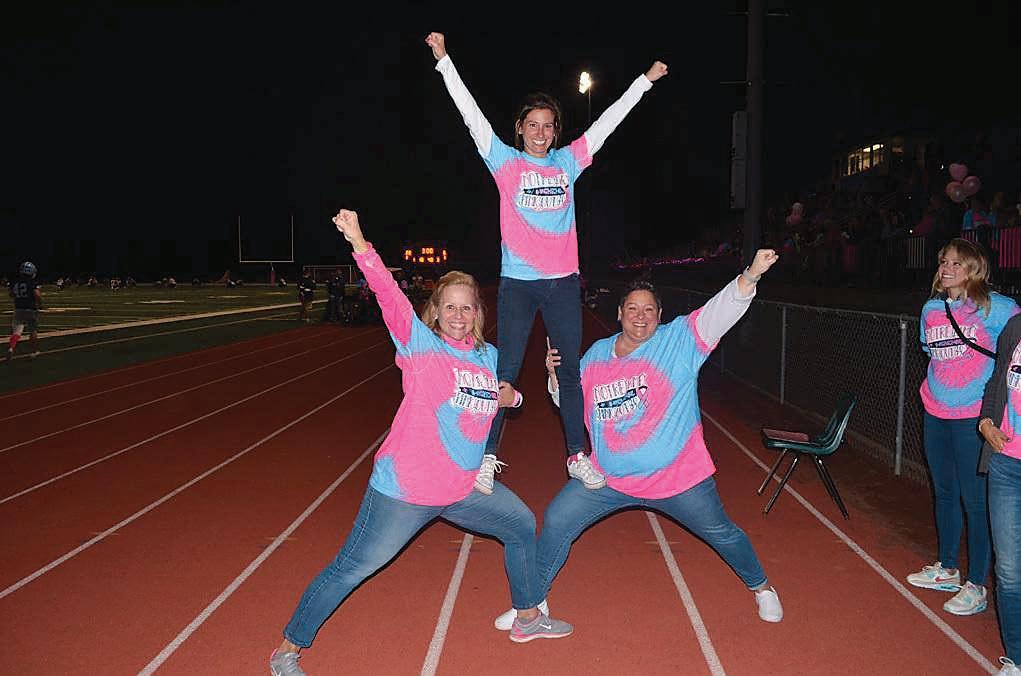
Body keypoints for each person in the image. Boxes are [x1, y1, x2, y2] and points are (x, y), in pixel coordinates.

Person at [269, 209, 573, 676]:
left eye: (466, 307)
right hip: (405, 492)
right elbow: (389, 296)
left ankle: (528, 616)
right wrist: (360, 242)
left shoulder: (488, 357)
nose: (458, 316)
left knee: (518, 524)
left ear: (478, 313)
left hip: (461, 489)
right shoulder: (420, 347)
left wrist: (516, 396)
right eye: (449, 307)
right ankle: (287, 650)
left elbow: (501, 395)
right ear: (435, 311)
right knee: (352, 567)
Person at [426, 31, 669, 495]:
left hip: (562, 283)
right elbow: (470, 114)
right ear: (520, 128)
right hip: (519, 284)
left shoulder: (567, 163)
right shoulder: (504, 162)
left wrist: (644, 82)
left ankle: (577, 456)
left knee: (570, 371)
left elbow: (608, 123)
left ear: (556, 132)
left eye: (548, 126)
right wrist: (443, 60)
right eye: (533, 125)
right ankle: (487, 458)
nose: (540, 133)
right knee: (506, 370)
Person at [492, 250, 785, 630]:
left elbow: (720, 311)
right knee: (558, 519)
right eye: (632, 308)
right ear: (619, 314)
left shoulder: (678, 341)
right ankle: (531, 603)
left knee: (722, 533)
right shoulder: (597, 355)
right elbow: (571, 403)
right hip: (608, 479)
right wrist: (555, 378)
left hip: (677, 479)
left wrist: (752, 275)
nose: (640, 316)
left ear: (660, 316)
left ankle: (762, 587)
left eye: (649, 310)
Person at [907, 238, 1019, 617]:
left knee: (975, 499)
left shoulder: (997, 308)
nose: (947, 268)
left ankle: (976, 584)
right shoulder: (931, 310)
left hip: (974, 418)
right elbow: (931, 352)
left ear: (975, 269)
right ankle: (947, 567)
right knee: (944, 491)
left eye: (956, 263)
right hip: (935, 411)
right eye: (944, 262)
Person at [977, 312, 1021, 675]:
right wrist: (986, 420)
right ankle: (1017, 658)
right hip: (1006, 463)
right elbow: (997, 381)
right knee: (1008, 570)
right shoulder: (1016, 327)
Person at [7, 261, 42, 363]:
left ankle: (11, 348)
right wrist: (40, 303)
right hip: (30, 308)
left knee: (16, 331)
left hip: (18, 309)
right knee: (33, 330)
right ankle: (33, 351)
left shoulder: (16, 282)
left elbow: (11, 294)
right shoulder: (32, 282)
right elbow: (37, 294)